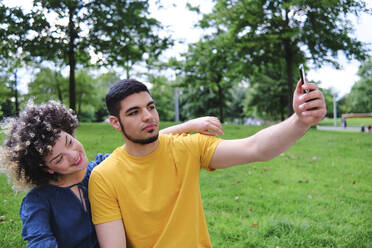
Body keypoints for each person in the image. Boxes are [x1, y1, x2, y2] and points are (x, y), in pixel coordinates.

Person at [88, 79, 327, 248]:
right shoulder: (105, 176)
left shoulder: (188, 147)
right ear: (115, 123)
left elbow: (255, 147)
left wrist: (300, 120)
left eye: (151, 107)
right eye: (134, 112)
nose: (148, 116)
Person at [0, 100, 223, 248]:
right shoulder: (38, 201)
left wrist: (189, 125)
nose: (73, 155)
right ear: (47, 168)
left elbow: (139, 147)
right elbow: (40, 242)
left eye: (69, 142)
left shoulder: (102, 170)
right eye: (58, 159)